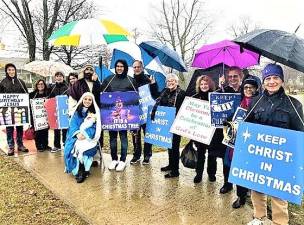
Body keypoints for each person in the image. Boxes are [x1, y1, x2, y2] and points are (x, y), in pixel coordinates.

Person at [245, 64, 304, 225]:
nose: (272, 82)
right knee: (256, 188)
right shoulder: (256, 101)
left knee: (278, 193)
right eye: (268, 78)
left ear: (282, 80)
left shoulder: (293, 105)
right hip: (259, 156)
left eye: (275, 78)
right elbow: (247, 126)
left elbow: (300, 134)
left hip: (280, 159)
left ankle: (280, 222)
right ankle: (259, 218)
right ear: (263, 82)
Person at [223, 77, 260, 208]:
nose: (248, 90)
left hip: (251, 141)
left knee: (247, 169)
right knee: (236, 166)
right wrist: (228, 120)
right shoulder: (240, 101)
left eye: (251, 87)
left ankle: (248, 194)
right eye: (246, 87)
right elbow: (234, 115)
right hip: (236, 140)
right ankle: (241, 196)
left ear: (256, 89)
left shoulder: (260, 102)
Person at [101, 59, 137, 172]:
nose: (119, 68)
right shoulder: (109, 79)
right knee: (112, 139)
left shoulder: (131, 80)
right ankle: (114, 159)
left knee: (123, 138)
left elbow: (136, 98)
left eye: (121, 66)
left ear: (125, 67)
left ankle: (122, 160)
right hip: (111, 116)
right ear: (115, 68)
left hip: (125, 117)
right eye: (117, 66)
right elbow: (102, 94)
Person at [215, 66, 244, 194]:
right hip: (228, 128)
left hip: (243, 130)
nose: (232, 79)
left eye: (235, 76)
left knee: (241, 160)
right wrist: (219, 86)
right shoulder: (224, 90)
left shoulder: (246, 90)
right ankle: (227, 183)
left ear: (241, 77)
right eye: (230, 76)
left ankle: (243, 189)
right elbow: (214, 102)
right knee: (226, 158)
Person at [152, 73, 186, 178]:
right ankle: (171, 165)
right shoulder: (164, 92)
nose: (171, 83)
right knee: (169, 146)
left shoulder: (181, 94)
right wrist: (153, 84)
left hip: (176, 124)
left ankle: (175, 171)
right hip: (166, 123)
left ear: (177, 82)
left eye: (173, 81)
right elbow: (156, 97)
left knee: (174, 148)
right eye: (169, 81)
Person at [64, 92, 101, 183]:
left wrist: (86, 134)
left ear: (92, 101)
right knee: (75, 146)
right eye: (85, 99)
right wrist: (77, 134)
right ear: (82, 100)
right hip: (76, 136)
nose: (87, 101)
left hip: (89, 137)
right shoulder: (76, 112)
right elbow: (73, 125)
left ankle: (83, 170)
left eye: (89, 99)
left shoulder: (95, 113)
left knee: (83, 147)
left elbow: (96, 127)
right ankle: (79, 170)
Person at [130, 60, 159, 165]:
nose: (136, 69)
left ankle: (147, 155)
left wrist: (153, 84)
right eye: (134, 67)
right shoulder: (130, 81)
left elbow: (156, 95)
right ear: (133, 68)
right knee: (135, 135)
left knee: (147, 134)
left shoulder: (148, 79)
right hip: (134, 113)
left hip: (147, 112)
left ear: (142, 68)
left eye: (138, 67)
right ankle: (136, 155)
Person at [192, 75, 217, 183]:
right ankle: (199, 173)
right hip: (199, 130)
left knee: (212, 154)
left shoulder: (215, 96)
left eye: (206, 84)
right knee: (200, 153)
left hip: (212, 131)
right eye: (201, 84)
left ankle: (211, 173)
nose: (203, 86)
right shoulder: (194, 98)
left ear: (210, 84)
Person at [0, 63, 28, 156]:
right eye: (9, 70)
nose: (11, 71)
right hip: (8, 110)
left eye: (13, 69)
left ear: (15, 70)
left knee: (19, 127)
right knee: (9, 128)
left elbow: (26, 94)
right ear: (6, 71)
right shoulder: (3, 82)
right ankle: (11, 146)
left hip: (19, 109)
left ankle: (20, 145)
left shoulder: (20, 82)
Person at [48, 71, 69, 153]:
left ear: (63, 77)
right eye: (57, 76)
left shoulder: (67, 87)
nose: (59, 77)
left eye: (60, 76)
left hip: (64, 110)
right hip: (55, 110)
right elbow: (49, 98)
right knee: (56, 128)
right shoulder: (52, 87)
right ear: (55, 77)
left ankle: (65, 144)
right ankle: (57, 146)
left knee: (65, 129)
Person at [29, 79, 51, 152]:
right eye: (39, 84)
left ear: (44, 85)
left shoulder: (48, 94)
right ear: (36, 85)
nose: (40, 85)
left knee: (45, 131)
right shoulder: (32, 94)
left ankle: (45, 145)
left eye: (42, 84)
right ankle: (39, 146)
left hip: (45, 116)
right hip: (35, 117)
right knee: (38, 132)